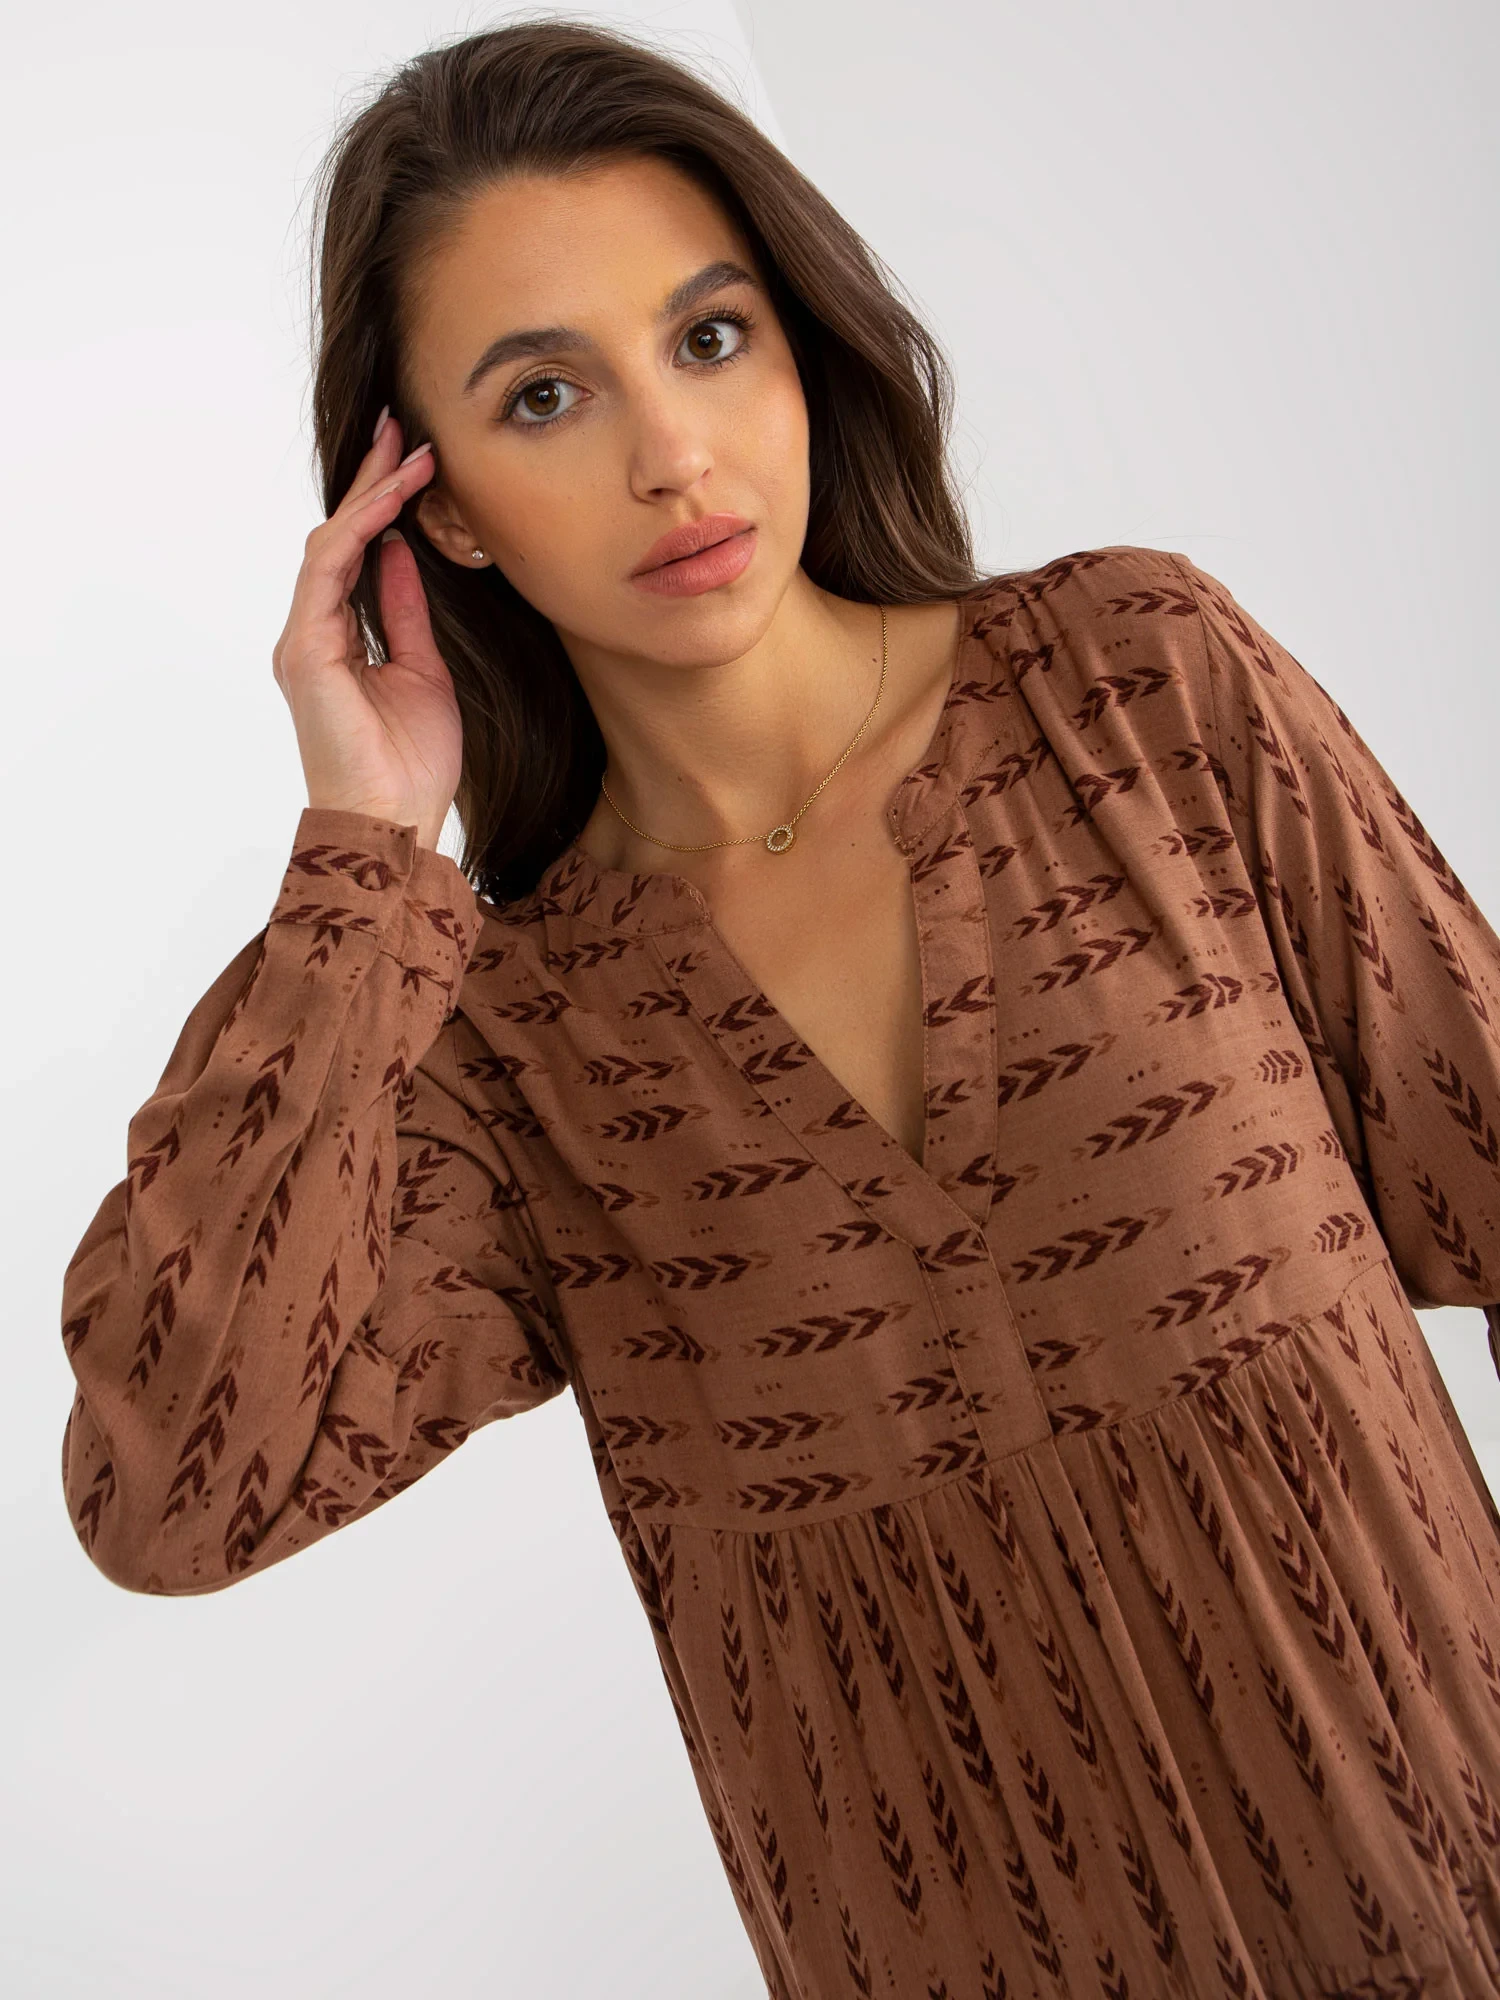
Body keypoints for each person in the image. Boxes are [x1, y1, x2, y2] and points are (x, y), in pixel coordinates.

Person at [56, 17, 1500, 1999]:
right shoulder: (506, 1049)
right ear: (440, 511)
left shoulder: (1139, 693)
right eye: (544, 394)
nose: (671, 452)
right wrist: (362, 855)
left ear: (799, 344)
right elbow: (171, 1495)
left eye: (710, 337)